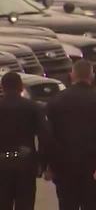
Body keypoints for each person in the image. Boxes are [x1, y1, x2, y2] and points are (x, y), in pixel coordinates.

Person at [46, 60, 96, 210]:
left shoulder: (56, 101)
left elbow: (49, 135)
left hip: (64, 167)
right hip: (93, 166)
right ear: (91, 76)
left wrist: (48, 165)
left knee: (67, 205)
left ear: (72, 75)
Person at [0, 72, 51, 210]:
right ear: (21, 87)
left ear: (2, 87)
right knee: (25, 204)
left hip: (2, 164)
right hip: (26, 163)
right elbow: (45, 135)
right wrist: (43, 162)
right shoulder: (33, 107)